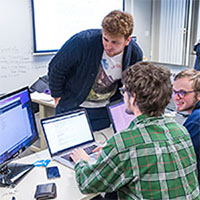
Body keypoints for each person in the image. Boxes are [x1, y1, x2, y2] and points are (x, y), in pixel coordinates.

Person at [70, 62, 200, 199]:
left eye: (124, 91)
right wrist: (114, 151)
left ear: (134, 98)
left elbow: (87, 184)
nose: (123, 96)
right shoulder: (181, 132)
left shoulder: (124, 143)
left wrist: (81, 161)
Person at [48, 10, 143, 131]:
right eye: (105, 39)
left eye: (115, 42)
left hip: (104, 109)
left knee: (99, 143)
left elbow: (135, 84)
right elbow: (56, 68)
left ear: (127, 40)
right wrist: (57, 97)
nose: (108, 46)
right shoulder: (82, 42)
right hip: (74, 105)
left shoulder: (135, 53)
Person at [172, 69, 200, 184]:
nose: (176, 97)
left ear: (198, 95)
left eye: (183, 92)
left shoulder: (196, 121)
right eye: (174, 92)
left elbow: (176, 158)